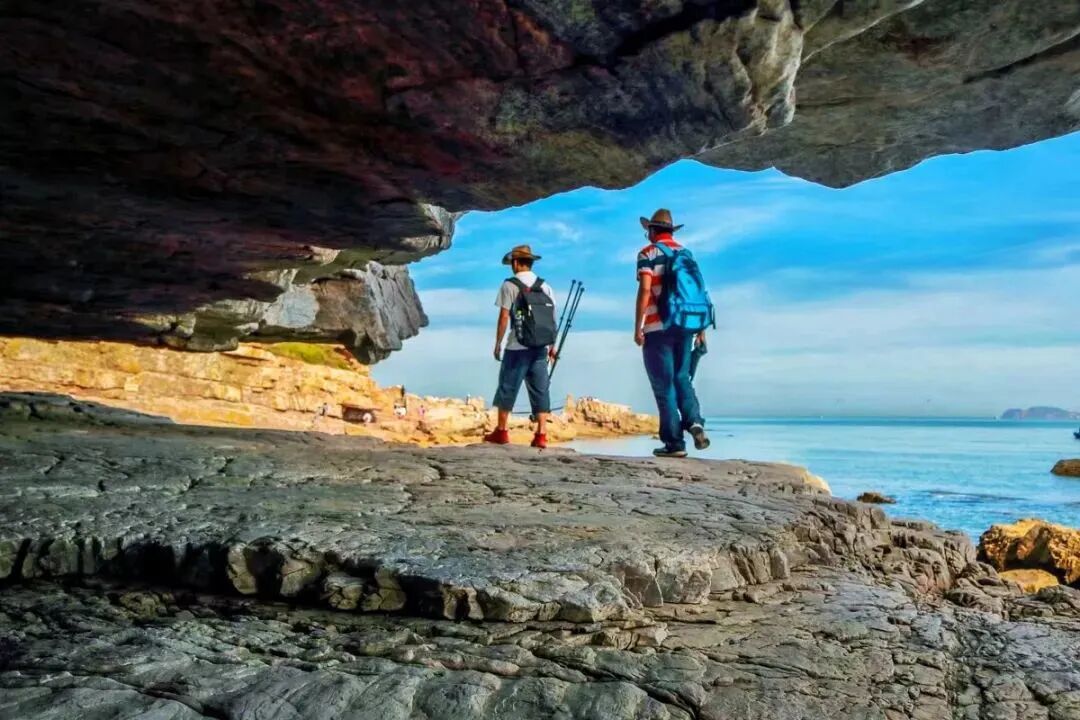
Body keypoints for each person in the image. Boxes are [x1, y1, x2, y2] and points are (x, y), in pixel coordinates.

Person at [634, 209, 710, 458]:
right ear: (672, 230)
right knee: (682, 379)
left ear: (653, 231)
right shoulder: (686, 254)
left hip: (658, 328)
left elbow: (645, 290)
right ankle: (695, 421)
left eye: (648, 230)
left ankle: (674, 443)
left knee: (664, 385)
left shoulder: (648, 253)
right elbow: (698, 292)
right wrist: (701, 330)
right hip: (687, 325)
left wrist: (638, 326)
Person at [484, 245, 557, 449]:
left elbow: (504, 316)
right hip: (541, 347)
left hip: (517, 346)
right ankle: (541, 435)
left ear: (516, 263)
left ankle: (502, 431)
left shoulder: (510, 285)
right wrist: (553, 346)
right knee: (541, 389)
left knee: (507, 386)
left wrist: (498, 343)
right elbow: (552, 319)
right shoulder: (546, 286)